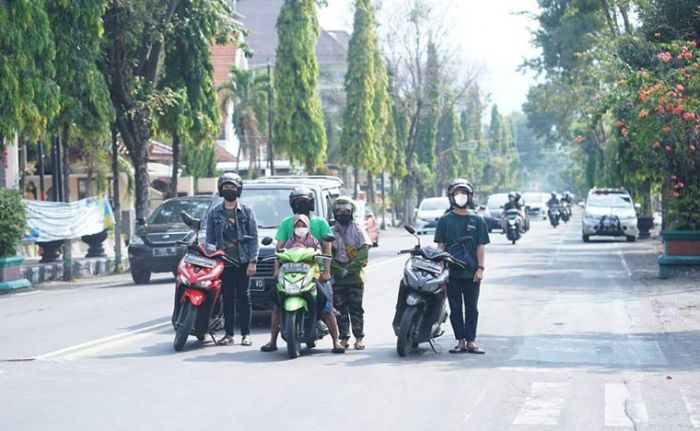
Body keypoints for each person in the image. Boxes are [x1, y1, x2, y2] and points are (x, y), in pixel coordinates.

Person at [260, 186, 345, 354]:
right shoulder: (286, 224)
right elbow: (279, 249)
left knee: (327, 306)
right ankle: (272, 341)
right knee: (277, 305)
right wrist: (276, 271)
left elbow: (327, 248)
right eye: (297, 203)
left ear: (311, 204)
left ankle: (336, 342)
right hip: (289, 271)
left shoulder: (320, 224)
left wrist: (326, 272)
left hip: (315, 273)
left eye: (304, 202)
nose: (301, 206)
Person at [435, 178, 490, 354]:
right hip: (452, 273)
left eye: (464, 193)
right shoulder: (445, 220)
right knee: (456, 308)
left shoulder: (478, 220)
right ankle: (460, 341)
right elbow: (441, 247)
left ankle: (471, 341)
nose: (461, 196)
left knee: (472, 308)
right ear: (451, 197)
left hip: (472, 273)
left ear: (470, 196)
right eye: (457, 193)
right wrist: (440, 270)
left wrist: (480, 268)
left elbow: (480, 246)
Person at [205, 173, 258, 346]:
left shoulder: (247, 211)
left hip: (242, 262)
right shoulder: (214, 213)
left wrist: (252, 261)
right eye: (226, 187)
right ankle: (229, 334)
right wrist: (212, 258)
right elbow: (210, 240)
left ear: (238, 190)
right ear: (221, 190)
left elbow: (254, 238)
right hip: (223, 263)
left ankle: (246, 334)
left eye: (232, 187)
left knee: (244, 297)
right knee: (227, 298)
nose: (229, 190)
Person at [330, 197, 371, 350]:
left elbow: (363, 253)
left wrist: (350, 268)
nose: (342, 214)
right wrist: (338, 269)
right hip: (338, 279)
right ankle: (344, 338)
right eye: (339, 211)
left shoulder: (358, 230)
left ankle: (359, 338)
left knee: (356, 309)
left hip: (355, 278)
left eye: (346, 211)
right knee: (340, 309)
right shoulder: (331, 232)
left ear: (351, 212)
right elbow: (327, 253)